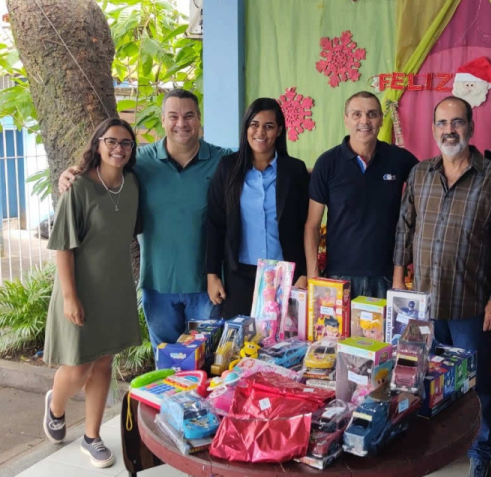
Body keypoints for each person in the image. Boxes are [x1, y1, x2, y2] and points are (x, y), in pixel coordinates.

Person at [393, 96, 491, 477]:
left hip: (469, 304)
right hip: (422, 304)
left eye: (457, 122)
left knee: (473, 385)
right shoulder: (419, 174)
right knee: (421, 380)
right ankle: (431, 449)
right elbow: (404, 228)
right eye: (442, 123)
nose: (450, 130)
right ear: (433, 130)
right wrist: (398, 280)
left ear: (471, 127)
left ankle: (480, 454)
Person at [59, 89, 231, 356]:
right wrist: (70, 173)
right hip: (157, 285)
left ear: (199, 119)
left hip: (206, 286)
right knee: (166, 365)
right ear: (162, 120)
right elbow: (103, 171)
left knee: (205, 366)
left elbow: (258, 161)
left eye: (189, 116)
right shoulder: (140, 162)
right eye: (173, 116)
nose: (181, 123)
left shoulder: (223, 160)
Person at [43, 118, 142, 468]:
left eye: (126, 144)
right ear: (97, 143)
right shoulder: (78, 188)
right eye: (111, 141)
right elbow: (63, 248)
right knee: (78, 366)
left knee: (104, 362)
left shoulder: (132, 184)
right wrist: (70, 297)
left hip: (116, 289)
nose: (119, 148)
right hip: (80, 289)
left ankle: (92, 436)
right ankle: (56, 407)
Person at [305, 91, 418, 299]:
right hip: (339, 278)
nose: (364, 121)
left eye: (372, 114)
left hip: (388, 277)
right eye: (357, 114)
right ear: (346, 119)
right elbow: (312, 224)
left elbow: (425, 197)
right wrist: (314, 276)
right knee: (337, 333)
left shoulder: (400, 160)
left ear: (381, 120)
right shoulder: (327, 163)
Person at [206, 98, 309, 318]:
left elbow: (306, 225)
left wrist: (305, 272)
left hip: (285, 275)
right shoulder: (227, 168)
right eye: (254, 124)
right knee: (241, 345)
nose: (260, 132)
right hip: (240, 275)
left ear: (279, 131)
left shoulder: (295, 171)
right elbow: (215, 223)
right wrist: (212, 274)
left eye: (269, 126)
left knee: (283, 345)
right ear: (246, 129)